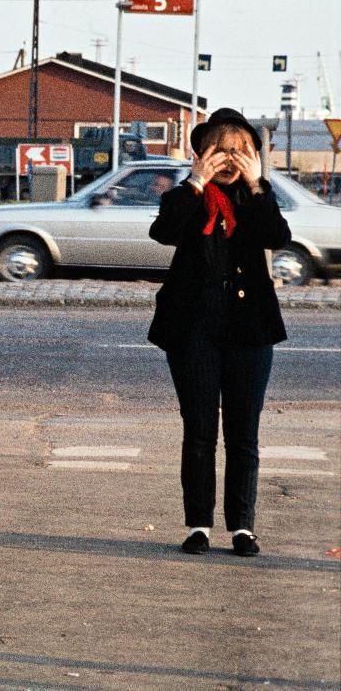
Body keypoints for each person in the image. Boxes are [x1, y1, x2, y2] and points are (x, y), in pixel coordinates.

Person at [148, 108, 291, 558]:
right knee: (200, 430)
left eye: (241, 150)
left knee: (243, 433)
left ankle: (243, 528)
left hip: (250, 328)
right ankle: (198, 525)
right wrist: (194, 182)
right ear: (202, 153)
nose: (230, 158)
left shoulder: (257, 198)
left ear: (254, 155)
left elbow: (277, 236)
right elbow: (165, 232)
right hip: (193, 326)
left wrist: (256, 183)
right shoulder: (185, 196)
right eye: (221, 149)